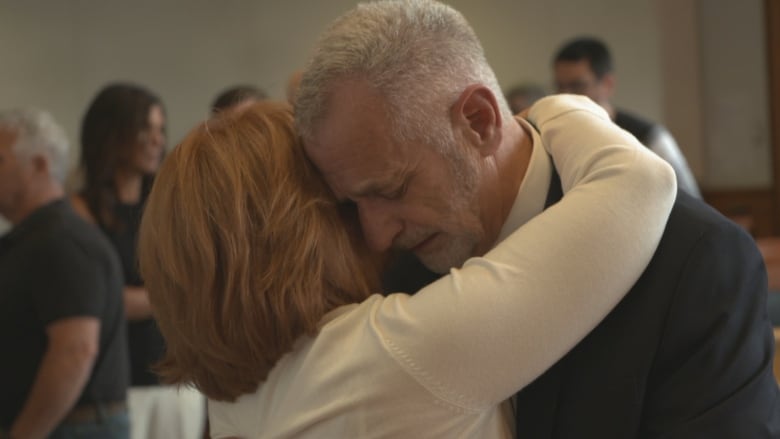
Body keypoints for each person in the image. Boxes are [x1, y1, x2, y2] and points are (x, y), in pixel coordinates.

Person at [294, 0, 780, 437]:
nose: (377, 235)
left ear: (480, 122)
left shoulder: (693, 261)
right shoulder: (389, 278)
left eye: (393, 189)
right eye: (354, 205)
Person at [138, 98, 676, 438]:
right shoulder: (392, 353)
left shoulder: (232, 392)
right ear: (308, 223)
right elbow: (636, 186)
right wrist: (557, 109)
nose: (371, 226)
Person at [70, 83, 205, 439]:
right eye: (146, 129)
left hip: (175, 381)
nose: (157, 140)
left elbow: (196, 286)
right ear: (113, 133)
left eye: (161, 130)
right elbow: (100, 303)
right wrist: (167, 297)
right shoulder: (80, 211)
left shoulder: (167, 206)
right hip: (116, 387)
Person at [0, 108, 129, 438]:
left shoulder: (61, 242)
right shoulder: (33, 239)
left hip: (71, 428)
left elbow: (75, 351)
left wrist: (24, 434)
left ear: (39, 165)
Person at [552, 36, 703, 199]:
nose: (565, 96)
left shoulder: (649, 137)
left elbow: (691, 202)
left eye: (577, 85)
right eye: (560, 86)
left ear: (607, 84)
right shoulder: (556, 140)